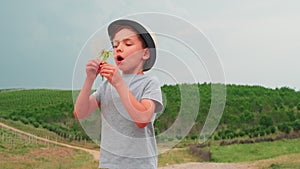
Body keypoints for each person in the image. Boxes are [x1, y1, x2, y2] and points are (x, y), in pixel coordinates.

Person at [74, 19, 163, 169]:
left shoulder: (149, 83)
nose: (118, 49)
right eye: (115, 45)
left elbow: (142, 119)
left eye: (128, 44)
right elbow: (80, 112)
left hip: (140, 165)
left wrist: (119, 83)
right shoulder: (107, 85)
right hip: (108, 164)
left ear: (145, 53)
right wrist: (89, 79)